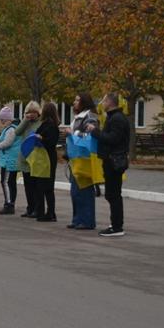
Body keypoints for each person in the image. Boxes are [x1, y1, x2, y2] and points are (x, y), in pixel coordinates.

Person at [87, 92, 130, 237]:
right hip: (111, 159)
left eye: (104, 101)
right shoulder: (113, 117)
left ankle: (117, 227)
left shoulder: (117, 118)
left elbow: (113, 139)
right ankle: (115, 224)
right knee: (112, 194)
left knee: (113, 194)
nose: (102, 104)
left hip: (114, 161)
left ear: (110, 102)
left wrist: (95, 131)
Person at [61, 93, 99, 230]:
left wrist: (72, 133)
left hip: (84, 159)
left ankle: (87, 221)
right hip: (76, 158)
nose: (74, 102)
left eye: (77, 100)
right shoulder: (79, 117)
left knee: (84, 191)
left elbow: (90, 135)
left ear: (84, 102)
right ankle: (77, 219)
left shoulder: (90, 116)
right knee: (75, 191)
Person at [32, 102, 60, 222]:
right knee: (45, 186)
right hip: (45, 157)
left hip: (47, 158)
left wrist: (41, 138)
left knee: (45, 186)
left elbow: (50, 142)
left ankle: (47, 213)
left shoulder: (50, 126)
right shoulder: (47, 125)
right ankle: (47, 212)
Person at [14, 101, 42, 217]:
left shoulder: (40, 123)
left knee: (36, 186)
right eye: (28, 112)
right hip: (25, 156)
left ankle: (37, 208)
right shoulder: (26, 122)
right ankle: (30, 207)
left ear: (38, 112)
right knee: (28, 185)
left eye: (33, 112)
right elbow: (17, 132)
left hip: (35, 157)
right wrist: (25, 120)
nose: (31, 115)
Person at [0, 105, 21, 215]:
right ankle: (9, 203)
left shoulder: (11, 130)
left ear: (9, 119)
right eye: (1, 120)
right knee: (10, 183)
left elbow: (7, 143)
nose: (2, 122)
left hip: (9, 161)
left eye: (3, 120)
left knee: (6, 182)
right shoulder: (10, 128)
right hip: (9, 160)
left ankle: (9, 204)